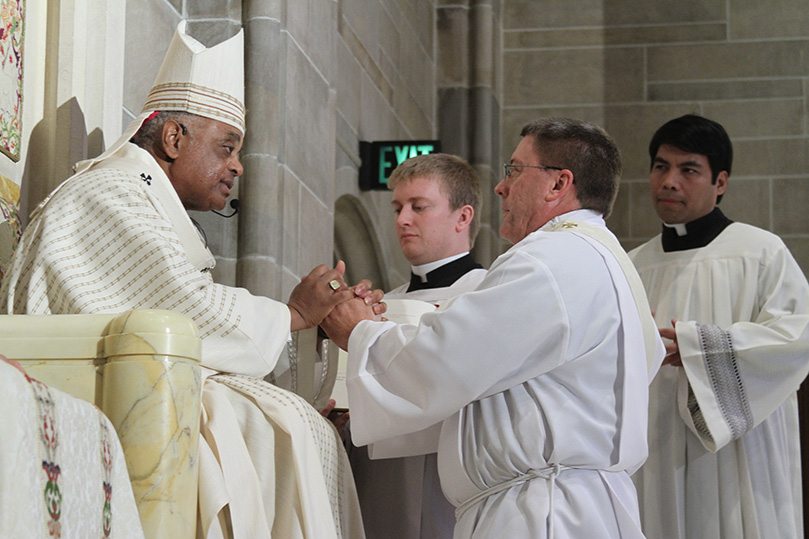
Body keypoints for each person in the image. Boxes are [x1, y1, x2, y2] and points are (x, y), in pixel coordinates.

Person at [0, 22, 374, 538]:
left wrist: (307, 327)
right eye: (227, 147)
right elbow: (187, 311)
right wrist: (294, 314)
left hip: (121, 388)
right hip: (71, 394)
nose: (239, 167)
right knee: (273, 427)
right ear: (174, 137)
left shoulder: (144, 201)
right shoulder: (111, 195)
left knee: (291, 423)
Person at [323, 117, 665, 538]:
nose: (501, 188)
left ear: (558, 184)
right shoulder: (611, 262)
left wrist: (358, 333)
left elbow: (445, 360)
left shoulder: (550, 258)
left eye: (514, 171)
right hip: (574, 503)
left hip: (540, 514)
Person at [629, 114, 809, 539]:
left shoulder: (760, 251)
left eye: (688, 169)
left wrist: (698, 348)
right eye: (660, 166)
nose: (669, 181)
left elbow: (796, 337)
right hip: (653, 450)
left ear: (720, 182)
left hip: (738, 453)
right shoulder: (631, 266)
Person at [348, 153, 487, 539]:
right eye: (397, 208)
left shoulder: (486, 294)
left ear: (463, 217)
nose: (402, 220)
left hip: (446, 472)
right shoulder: (382, 301)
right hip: (375, 473)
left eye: (418, 207)